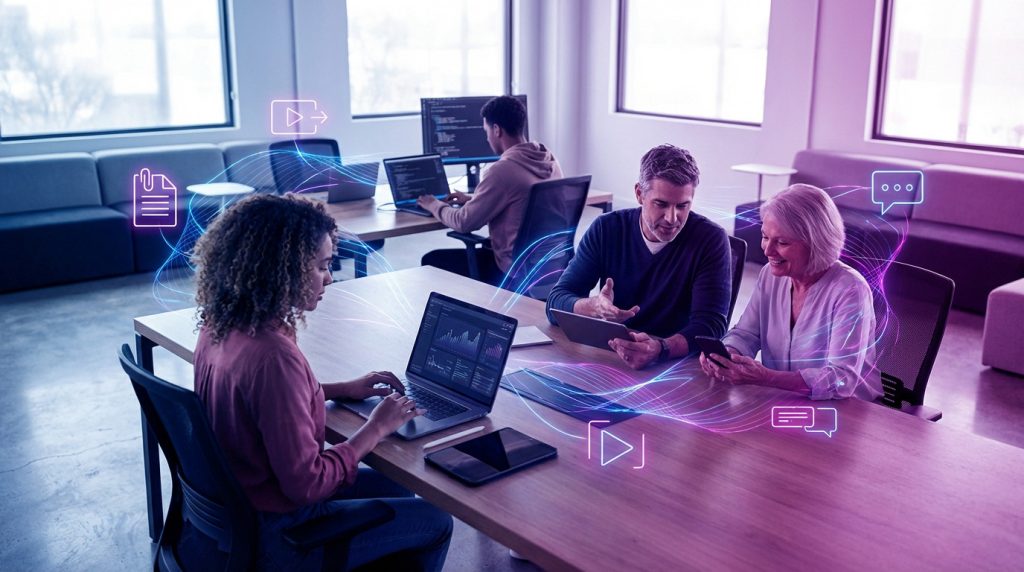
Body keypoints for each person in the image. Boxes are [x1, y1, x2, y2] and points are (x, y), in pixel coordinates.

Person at [191, 194, 452, 571]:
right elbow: (307, 485)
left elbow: (261, 402)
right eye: (321, 266)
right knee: (436, 520)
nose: (329, 277)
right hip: (280, 531)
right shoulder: (273, 357)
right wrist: (374, 428)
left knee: (398, 488)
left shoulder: (223, 325)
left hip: (237, 512)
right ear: (282, 269)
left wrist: (339, 389)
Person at [545, 144, 732, 370]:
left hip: (675, 367)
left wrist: (661, 348)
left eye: (683, 206)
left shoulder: (710, 239)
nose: (672, 218)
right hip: (614, 360)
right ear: (639, 194)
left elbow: (710, 327)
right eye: (661, 204)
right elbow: (555, 303)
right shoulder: (607, 229)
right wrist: (593, 306)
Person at [700, 184, 881, 400]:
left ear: (817, 243)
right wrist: (729, 354)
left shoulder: (850, 290)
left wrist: (766, 378)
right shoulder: (770, 275)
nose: (767, 250)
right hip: (784, 401)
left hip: (848, 412)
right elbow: (746, 333)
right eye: (765, 237)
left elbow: (840, 379)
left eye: (782, 242)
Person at [417, 95, 563, 284]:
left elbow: (463, 222)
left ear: (496, 130)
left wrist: (433, 205)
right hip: (550, 264)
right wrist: (474, 198)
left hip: (512, 272)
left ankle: (459, 313)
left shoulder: (502, 171)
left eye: (486, 130)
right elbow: (522, 198)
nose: (486, 137)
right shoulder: (548, 158)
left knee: (431, 261)